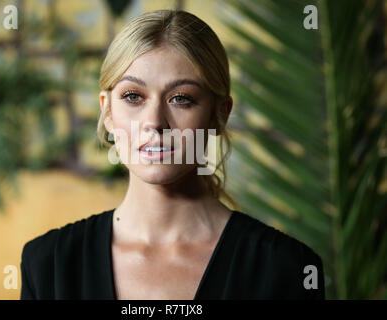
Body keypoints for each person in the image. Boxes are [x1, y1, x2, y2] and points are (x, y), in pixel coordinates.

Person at [20, 9, 325, 300]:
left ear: (219, 114)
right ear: (108, 111)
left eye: (181, 99)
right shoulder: (49, 265)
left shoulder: (285, 269)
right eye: (133, 96)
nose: (155, 122)